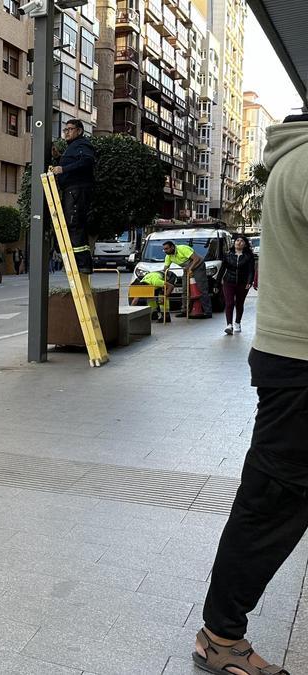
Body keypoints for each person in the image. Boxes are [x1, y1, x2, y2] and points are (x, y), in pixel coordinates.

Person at [193, 113, 308, 675]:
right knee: (271, 502)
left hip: (293, 357)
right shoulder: (307, 163)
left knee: (277, 498)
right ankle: (220, 634)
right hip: (301, 365)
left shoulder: (293, 161)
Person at [49, 119, 96, 275]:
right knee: (70, 224)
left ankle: (82, 263)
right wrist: (58, 158)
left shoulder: (82, 144)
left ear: (79, 131)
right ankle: (75, 260)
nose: (67, 132)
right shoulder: (73, 147)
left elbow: (86, 161)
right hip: (72, 189)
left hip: (77, 190)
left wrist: (63, 168)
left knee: (74, 224)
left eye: (70, 129)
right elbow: (74, 163)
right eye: (65, 130)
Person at [162, 240, 211, 318]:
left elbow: (196, 259)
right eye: (164, 249)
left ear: (172, 247)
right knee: (185, 289)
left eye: (166, 249)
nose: (165, 251)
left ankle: (207, 311)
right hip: (187, 269)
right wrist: (165, 275)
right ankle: (185, 310)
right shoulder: (169, 256)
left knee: (201, 288)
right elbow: (165, 268)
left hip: (197, 265)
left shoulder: (182, 249)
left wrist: (190, 269)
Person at [221, 235, 256, 336]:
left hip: (242, 283)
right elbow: (223, 269)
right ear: (234, 242)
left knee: (239, 303)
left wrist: (249, 282)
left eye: (242, 241)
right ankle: (229, 325)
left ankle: (237, 322)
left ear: (245, 244)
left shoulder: (249, 256)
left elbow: (251, 271)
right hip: (229, 282)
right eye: (237, 240)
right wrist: (217, 282)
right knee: (229, 303)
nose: (239, 242)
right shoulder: (228, 255)